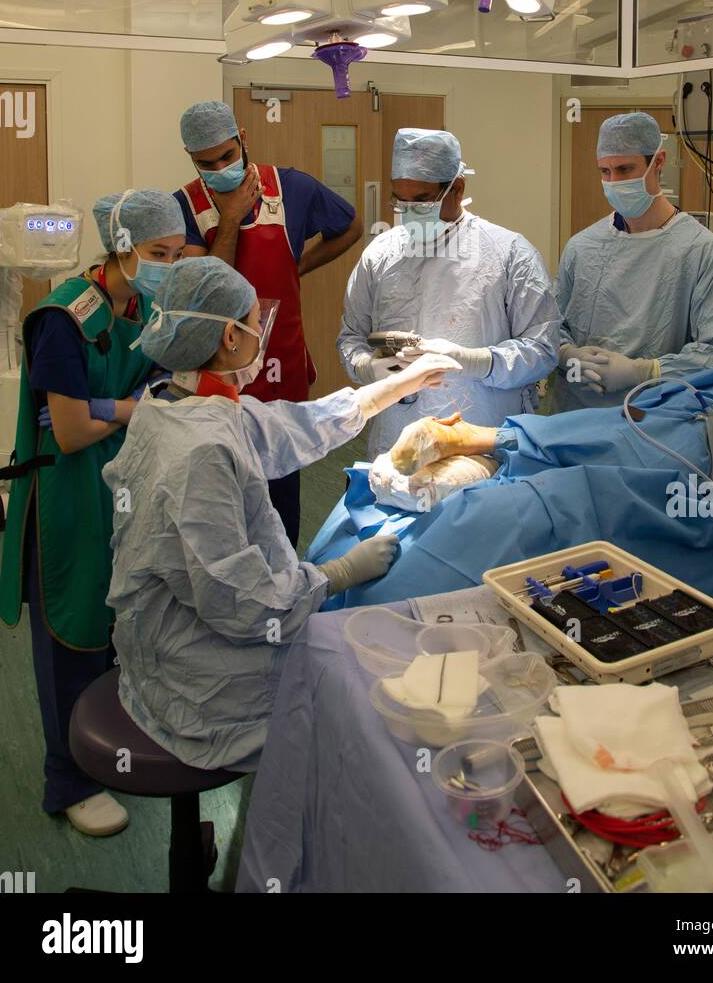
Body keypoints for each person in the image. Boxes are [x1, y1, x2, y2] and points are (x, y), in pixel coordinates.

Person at [103, 257, 459, 771]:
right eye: (254, 324)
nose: (258, 336)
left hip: (155, 654)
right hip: (203, 695)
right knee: (364, 707)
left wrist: (394, 388)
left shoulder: (169, 405)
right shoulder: (202, 451)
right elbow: (242, 603)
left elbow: (290, 426)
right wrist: (337, 574)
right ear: (230, 337)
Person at [0, 189, 185, 836]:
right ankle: (68, 778)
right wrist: (130, 409)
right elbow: (70, 433)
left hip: (123, 490)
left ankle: (109, 749)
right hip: (69, 498)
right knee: (72, 632)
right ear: (122, 248)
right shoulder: (62, 318)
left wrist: (110, 407)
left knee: (119, 626)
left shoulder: (146, 305)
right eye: (158, 253)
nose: (168, 264)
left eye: (177, 252)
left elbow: (164, 384)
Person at [174, 100, 363, 549]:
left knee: (281, 496)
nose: (221, 167)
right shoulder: (184, 207)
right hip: (220, 374)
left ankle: (282, 593)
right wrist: (232, 219)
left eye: (227, 154)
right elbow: (211, 288)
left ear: (242, 136)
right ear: (190, 158)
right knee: (224, 492)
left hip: (281, 364)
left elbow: (351, 226)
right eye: (208, 163)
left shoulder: (290, 188)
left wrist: (297, 264)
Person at [338, 127, 559, 459]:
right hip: (397, 443)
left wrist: (472, 361)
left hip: (479, 442)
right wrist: (369, 367)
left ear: (457, 188)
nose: (409, 211)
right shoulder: (380, 254)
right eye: (401, 199)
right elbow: (351, 337)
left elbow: (542, 349)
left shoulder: (509, 253)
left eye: (422, 200)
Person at [553, 111, 713, 412]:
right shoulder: (582, 247)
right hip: (578, 416)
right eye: (605, 171)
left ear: (658, 161)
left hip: (656, 422)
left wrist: (645, 372)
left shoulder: (703, 252)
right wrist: (567, 354)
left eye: (625, 169)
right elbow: (551, 324)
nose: (613, 182)